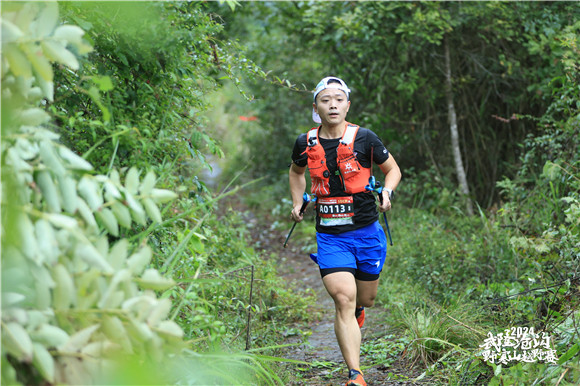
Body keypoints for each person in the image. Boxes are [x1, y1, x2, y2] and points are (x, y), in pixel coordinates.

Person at [289, 76, 401, 386]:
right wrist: (298, 202)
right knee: (343, 299)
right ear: (316, 108)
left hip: (366, 233)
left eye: (338, 99)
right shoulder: (305, 143)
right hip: (330, 236)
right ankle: (356, 375)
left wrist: (387, 193)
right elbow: (297, 172)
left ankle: (360, 310)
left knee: (365, 298)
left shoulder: (365, 138)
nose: (333, 104)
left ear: (347, 105)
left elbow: (392, 170)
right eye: (326, 100)